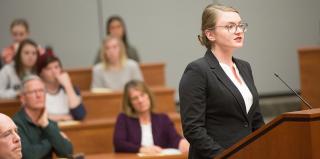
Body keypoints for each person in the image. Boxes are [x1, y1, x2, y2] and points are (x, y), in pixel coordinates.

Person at [179, 4, 265, 159]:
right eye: (230, 26)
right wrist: (224, 156)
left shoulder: (245, 67)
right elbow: (193, 128)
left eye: (240, 25)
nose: (238, 31)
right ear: (210, 34)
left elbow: (256, 119)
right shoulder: (198, 70)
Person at [113, 80, 189, 155]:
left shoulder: (163, 119)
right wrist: (141, 149)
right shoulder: (123, 119)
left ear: (148, 95)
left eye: (142, 95)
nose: (140, 100)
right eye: (135, 98)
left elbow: (174, 138)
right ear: (130, 103)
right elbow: (119, 143)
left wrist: (182, 143)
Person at [12, 75, 73, 159]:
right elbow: (28, 156)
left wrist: (46, 125)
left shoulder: (48, 122)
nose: (38, 95)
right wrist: (53, 139)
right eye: (33, 91)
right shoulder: (15, 123)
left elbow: (67, 152)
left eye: (41, 91)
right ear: (23, 98)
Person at [37, 48, 86, 121]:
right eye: (48, 68)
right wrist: (62, 117)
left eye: (56, 67)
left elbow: (80, 115)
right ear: (41, 73)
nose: (54, 72)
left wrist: (67, 85)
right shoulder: (37, 91)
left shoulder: (71, 89)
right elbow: (37, 116)